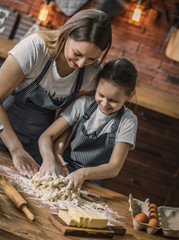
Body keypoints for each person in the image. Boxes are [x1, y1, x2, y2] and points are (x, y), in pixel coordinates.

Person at [0, 9, 112, 178]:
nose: (81, 64)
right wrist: (16, 150)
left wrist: (55, 152)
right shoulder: (35, 49)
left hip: (35, 148)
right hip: (5, 137)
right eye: (77, 53)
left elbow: (68, 118)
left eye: (91, 59)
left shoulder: (91, 72)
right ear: (66, 34)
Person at [38, 58, 138, 191]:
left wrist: (83, 173)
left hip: (94, 184)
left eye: (113, 100)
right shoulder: (83, 104)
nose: (104, 103)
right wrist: (50, 159)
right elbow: (46, 136)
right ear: (97, 85)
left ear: (130, 96)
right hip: (64, 173)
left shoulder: (128, 121)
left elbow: (114, 167)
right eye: (101, 95)